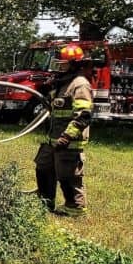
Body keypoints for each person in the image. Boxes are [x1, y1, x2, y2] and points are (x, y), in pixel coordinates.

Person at [35, 43, 94, 216]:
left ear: (74, 65)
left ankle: (75, 209)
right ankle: (45, 204)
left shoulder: (79, 84)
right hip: (52, 139)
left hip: (68, 142)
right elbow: (54, 107)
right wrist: (46, 89)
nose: (58, 67)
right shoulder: (62, 83)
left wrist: (67, 137)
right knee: (43, 169)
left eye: (63, 64)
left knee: (68, 176)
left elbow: (84, 116)